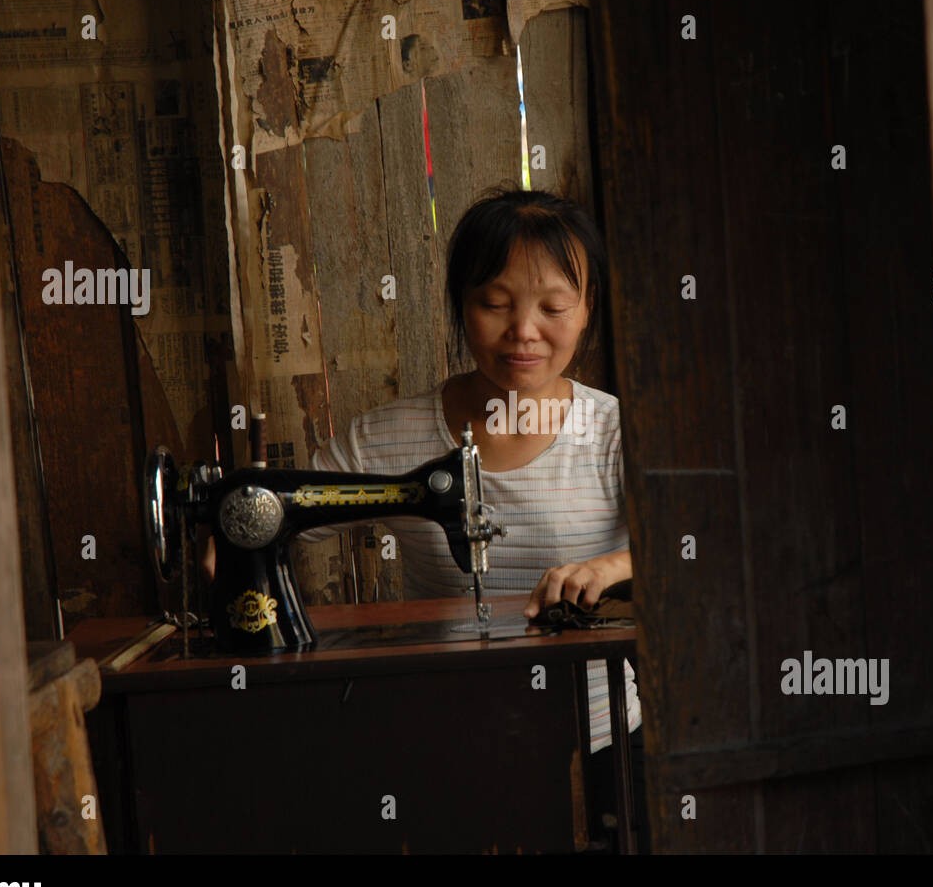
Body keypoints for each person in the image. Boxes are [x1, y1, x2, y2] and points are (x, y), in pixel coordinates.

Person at [204, 187, 647, 851]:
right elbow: (265, 524)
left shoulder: (616, 431)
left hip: (599, 740)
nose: (523, 331)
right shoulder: (391, 438)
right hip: (437, 737)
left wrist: (611, 566)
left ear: (586, 313)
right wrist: (228, 552)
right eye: (494, 304)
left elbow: (695, 546)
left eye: (553, 307)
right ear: (460, 307)